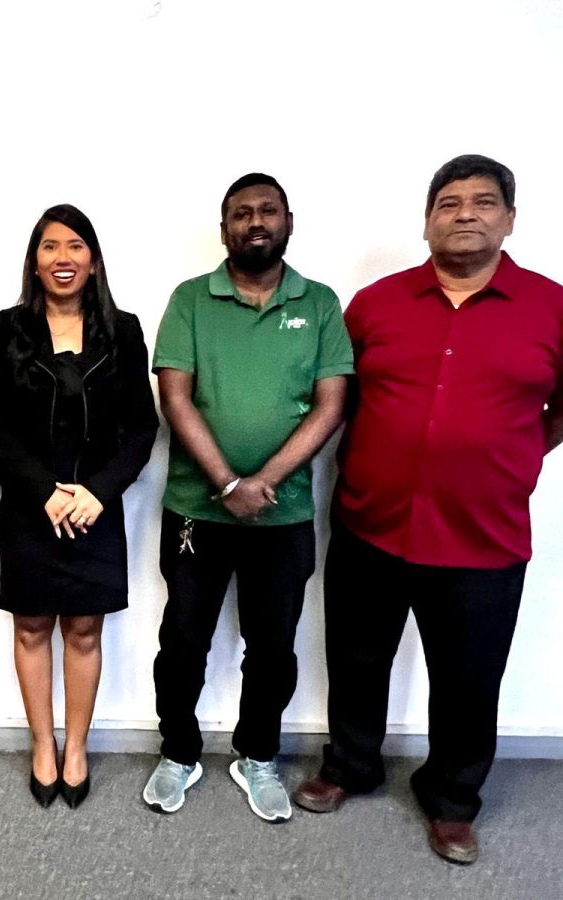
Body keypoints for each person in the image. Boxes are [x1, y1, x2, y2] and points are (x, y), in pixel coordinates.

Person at [292, 155, 563, 864]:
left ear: (509, 219)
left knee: (469, 680)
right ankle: (351, 765)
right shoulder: (376, 304)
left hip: (483, 538)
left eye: (481, 202)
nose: (464, 213)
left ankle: (452, 800)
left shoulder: (551, 307)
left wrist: (518, 453)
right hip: (370, 524)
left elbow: (557, 409)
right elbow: (335, 396)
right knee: (356, 660)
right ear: (427, 220)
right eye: (448, 202)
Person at [143, 173, 353, 822]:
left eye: (267, 211)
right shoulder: (190, 301)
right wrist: (228, 484)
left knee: (273, 644)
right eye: (241, 213)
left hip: (282, 514)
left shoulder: (318, 304)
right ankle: (178, 750)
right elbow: (175, 396)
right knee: (183, 638)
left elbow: (331, 404)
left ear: (288, 219)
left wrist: (262, 484)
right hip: (196, 510)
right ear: (224, 227)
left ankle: (257, 754)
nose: (254, 221)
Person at [0, 204, 157, 809]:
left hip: (95, 508)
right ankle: (41, 744)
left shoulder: (123, 330)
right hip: (31, 505)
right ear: (34, 260)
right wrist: (44, 490)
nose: (62, 258)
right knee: (31, 626)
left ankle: (75, 746)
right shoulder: (5, 329)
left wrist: (96, 493)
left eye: (75, 246)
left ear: (94, 260)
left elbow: (141, 429)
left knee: (83, 628)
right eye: (49, 247)